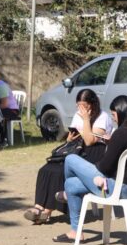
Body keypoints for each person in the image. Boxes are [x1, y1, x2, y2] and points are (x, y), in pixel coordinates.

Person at [53, 95, 127, 243]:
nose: (113, 119)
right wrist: (113, 144)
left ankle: (68, 196)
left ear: (122, 112)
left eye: (113, 114)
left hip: (117, 189)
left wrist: (110, 145)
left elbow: (105, 168)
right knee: (71, 185)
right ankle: (75, 231)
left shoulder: (122, 133)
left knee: (70, 159)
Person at [23, 89, 113, 224]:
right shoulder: (78, 115)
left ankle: (47, 212)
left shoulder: (102, 117)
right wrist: (70, 138)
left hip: (94, 152)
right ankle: (39, 207)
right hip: (77, 148)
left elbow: (90, 141)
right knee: (46, 169)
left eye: (84, 106)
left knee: (61, 170)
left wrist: (86, 120)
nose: (80, 109)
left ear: (92, 104)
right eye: (78, 105)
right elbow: (74, 137)